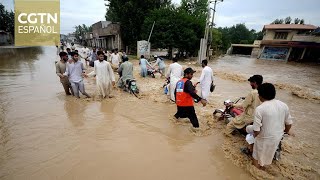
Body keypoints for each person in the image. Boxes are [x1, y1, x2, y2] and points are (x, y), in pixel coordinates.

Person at [245, 83, 293, 169]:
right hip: (278, 136)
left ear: (260, 96)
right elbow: (288, 124)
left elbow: (256, 131)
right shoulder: (283, 105)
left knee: (256, 156)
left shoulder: (260, 109)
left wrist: (253, 137)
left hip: (264, 138)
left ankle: (256, 170)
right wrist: (286, 131)